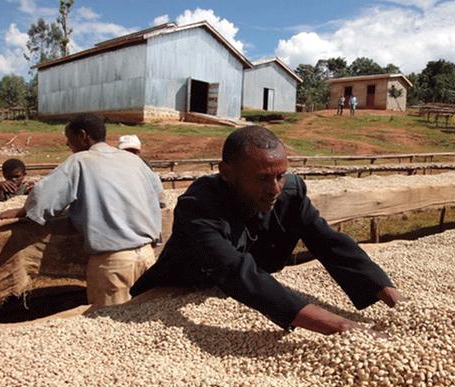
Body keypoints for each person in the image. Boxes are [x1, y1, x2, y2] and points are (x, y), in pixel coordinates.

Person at [131, 126, 404, 335]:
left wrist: (394, 299)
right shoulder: (199, 206)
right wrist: (342, 327)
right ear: (227, 173)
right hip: (178, 288)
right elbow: (234, 271)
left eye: (280, 175)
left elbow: (329, 243)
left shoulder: (291, 194)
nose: (274, 188)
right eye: (262, 178)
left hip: (239, 290)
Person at [0, 114, 164, 307]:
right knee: (138, 322)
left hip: (113, 264)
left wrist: (23, 211)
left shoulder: (80, 162)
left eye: (69, 141)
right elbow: (160, 199)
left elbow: (44, 197)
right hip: (147, 257)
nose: (69, 146)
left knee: (109, 322)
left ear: (83, 136)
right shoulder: (134, 161)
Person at [118, 134, 166, 209]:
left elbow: (160, 199)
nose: (130, 154)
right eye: (126, 151)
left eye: (133, 151)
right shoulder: (116, 167)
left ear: (138, 151)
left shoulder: (146, 167)